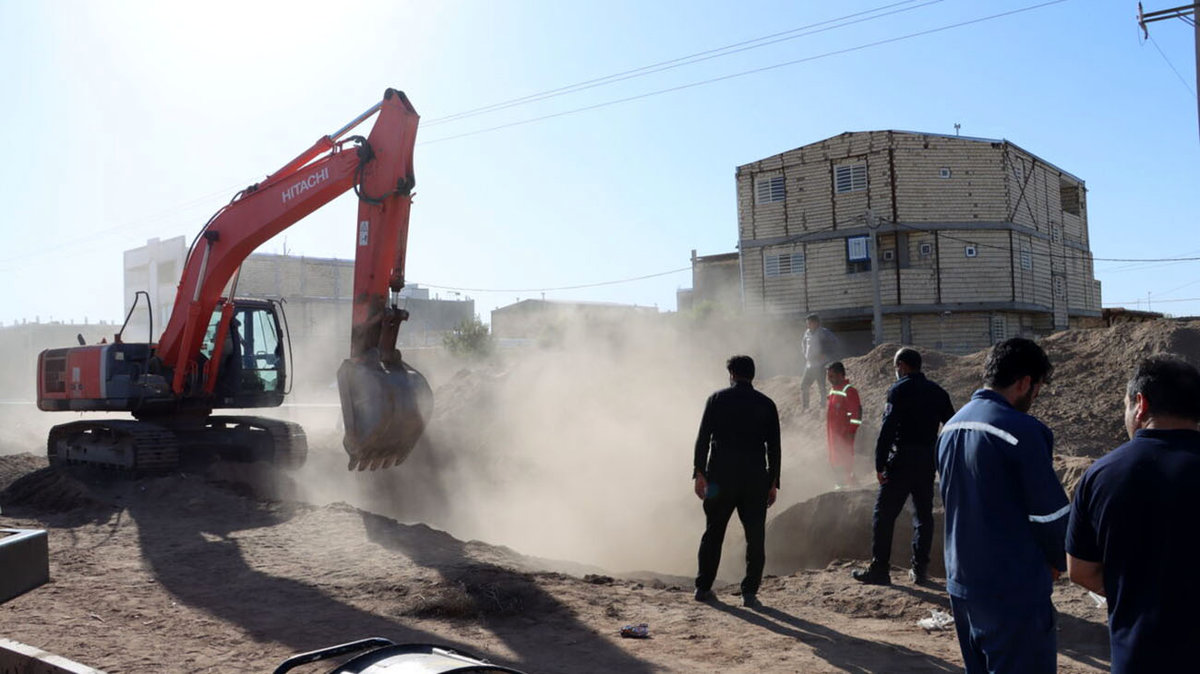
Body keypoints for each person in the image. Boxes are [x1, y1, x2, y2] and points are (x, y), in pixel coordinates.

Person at [937, 338, 1066, 674]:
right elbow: (1048, 515)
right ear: (1025, 382)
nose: (1036, 396)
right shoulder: (1020, 430)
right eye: (1037, 387)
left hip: (962, 583)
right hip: (1012, 588)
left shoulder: (951, 427)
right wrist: (1060, 558)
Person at [1066, 356, 1200, 673]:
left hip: (1140, 656)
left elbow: (1081, 571)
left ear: (1140, 404)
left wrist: (1138, 593)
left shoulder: (1101, 475)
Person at [852, 347, 953, 586]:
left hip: (901, 460)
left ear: (903, 366)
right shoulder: (937, 391)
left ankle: (880, 569)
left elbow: (887, 430)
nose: (895, 371)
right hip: (927, 461)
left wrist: (879, 463)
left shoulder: (898, 390)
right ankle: (919, 571)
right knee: (923, 515)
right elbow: (951, 425)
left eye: (897, 366)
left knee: (884, 515)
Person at [693, 355, 781, 609]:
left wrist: (699, 473)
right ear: (752, 375)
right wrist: (773, 481)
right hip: (755, 479)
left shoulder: (717, 399)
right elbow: (774, 447)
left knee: (713, 532)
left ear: (731, 373)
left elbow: (702, 439)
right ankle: (749, 593)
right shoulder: (766, 404)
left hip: (721, 478)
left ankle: (703, 587)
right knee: (755, 536)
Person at [824, 361, 862, 489]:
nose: (829, 379)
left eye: (832, 376)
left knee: (844, 462)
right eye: (828, 376)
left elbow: (856, 415)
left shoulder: (849, 391)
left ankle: (851, 488)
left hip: (844, 435)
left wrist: (851, 432)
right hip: (833, 435)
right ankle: (840, 486)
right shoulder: (833, 391)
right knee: (835, 461)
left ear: (841, 375)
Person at [800, 314, 839, 409]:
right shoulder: (807, 333)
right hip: (809, 365)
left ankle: (823, 406)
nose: (808, 325)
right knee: (804, 385)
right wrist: (805, 355)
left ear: (816, 323)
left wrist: (826, 354)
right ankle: (806, 407)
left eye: (809, 323)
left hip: (820, 364)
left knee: (821, 386)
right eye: (807, 323)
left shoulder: (824, 332)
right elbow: (803, 344)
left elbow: (835, 342)